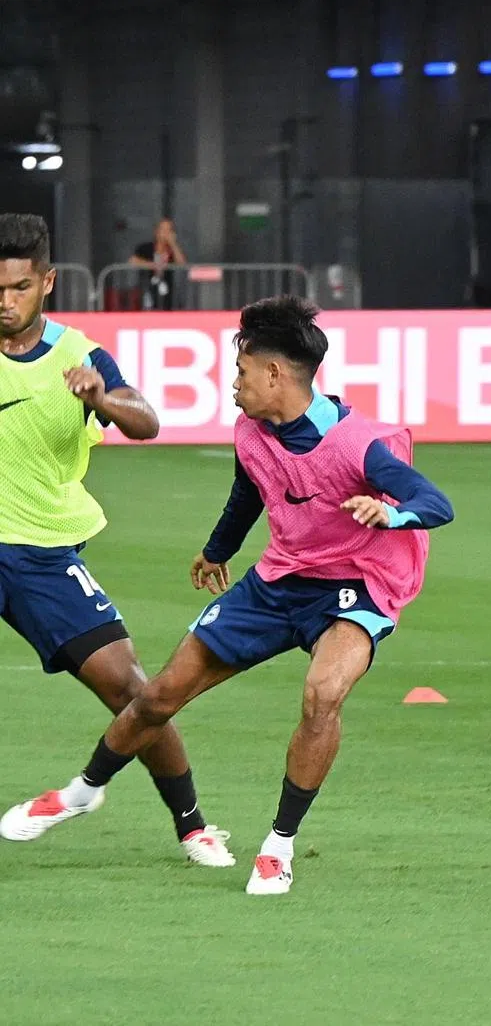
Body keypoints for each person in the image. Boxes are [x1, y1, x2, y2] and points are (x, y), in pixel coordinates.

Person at [5, 296, 454, 895]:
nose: (233, 383)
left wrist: (391, 515)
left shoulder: (357, 443)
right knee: (159, 696)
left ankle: (278, 847)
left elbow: (435, 503)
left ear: (274, 373)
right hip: (280, 579)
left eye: (241, 372)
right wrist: (218, 551)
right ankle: (83, 793)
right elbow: (249, 492)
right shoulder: (251, 431)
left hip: (358, 583)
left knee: (322, 695)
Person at [0, 213, 233, 867]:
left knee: (133, 692)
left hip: (40, 555)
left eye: (18, 287)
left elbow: (146, 421)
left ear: (47, 282)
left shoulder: (81, 356)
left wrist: (102, 398)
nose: (5, 301)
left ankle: (192, 825)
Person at [128, 217, 186, 311]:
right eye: (163, 229)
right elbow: (133, 261)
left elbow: (182, 264)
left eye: (169, 230)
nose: (165, 233)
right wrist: (154, 265)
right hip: (147, 289)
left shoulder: (173, 251)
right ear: (156, 231)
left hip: (168, 292)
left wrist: (173, 244)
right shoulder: (146, 247)